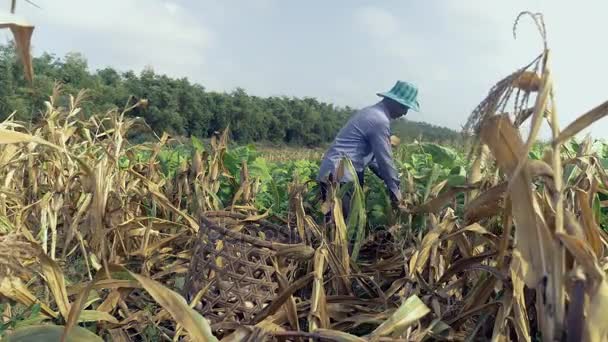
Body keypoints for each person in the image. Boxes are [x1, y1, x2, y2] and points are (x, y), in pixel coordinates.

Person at [317, 80, 420, 220]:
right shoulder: (379, 120)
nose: (405, 112)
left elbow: (373, 160)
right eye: (404, 107)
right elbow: (385, 160)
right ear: (393, 101)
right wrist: (396, 192)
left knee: (335, 226)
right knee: (343, 226)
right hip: (340, 173)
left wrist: (391, 180)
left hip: (335, 170)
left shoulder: (370, 112)